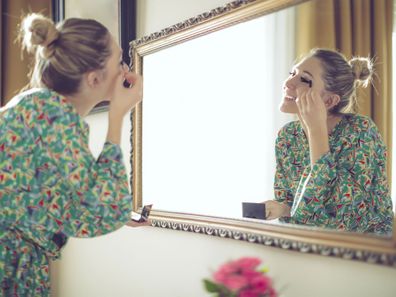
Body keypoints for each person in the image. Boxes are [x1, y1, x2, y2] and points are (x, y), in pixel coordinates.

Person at [0, 13, 146, 296]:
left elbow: (63, 198)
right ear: (93, 79)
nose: (125, 68)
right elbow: (102, 212)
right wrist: (117, 114)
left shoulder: (37, 107)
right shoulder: (56, 117)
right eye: (119, 62)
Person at [264, 48, 394, 235]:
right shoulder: (287, 136)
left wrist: (317, 131)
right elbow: (294, 205)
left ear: (329, 101)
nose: (288, 83)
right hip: (308, 248)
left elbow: (342, 219)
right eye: (293, 73)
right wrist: (282, 209)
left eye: (304, 80)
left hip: (362, 255)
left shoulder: (361, 131)